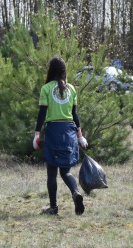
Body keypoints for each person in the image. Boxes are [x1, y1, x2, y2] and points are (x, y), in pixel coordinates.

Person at [33, 57, 89, 216]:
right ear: (64, 71)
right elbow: (75, 115)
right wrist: (80, 136)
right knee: (66, 172)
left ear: (50, 71)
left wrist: (37, 134)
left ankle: (53, 208)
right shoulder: (71, 89)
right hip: (69, 132)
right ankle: (75, 193)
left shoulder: (45, 89)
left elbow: (42, 114)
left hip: (53, 131)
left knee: (52, 173)